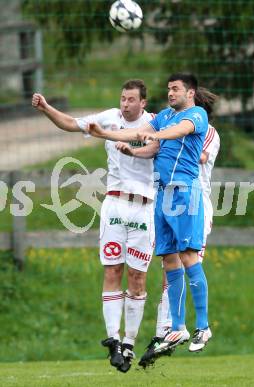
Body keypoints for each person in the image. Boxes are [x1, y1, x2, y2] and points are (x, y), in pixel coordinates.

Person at [31, 79, 158, 373]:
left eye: (131, 99)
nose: (125, 103)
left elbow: (154, 149)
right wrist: (47, 108)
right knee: (112, 269)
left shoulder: (154, 123)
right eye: (122, 98)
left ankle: (129, 342)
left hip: (143, 206)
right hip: (114, 203)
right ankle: (113, 340)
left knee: (137, 279)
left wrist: (133, 150)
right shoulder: (109, 118)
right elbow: (71, 124)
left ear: (143, 103)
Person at [87, 73, 212, 357]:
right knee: (169, 260)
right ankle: (178, 325)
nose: (170, 93)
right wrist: (108, 136)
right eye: (168, 89)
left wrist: (153, 134)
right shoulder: (165, 116)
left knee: (189, 256)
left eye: (175, 89)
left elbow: (178, 131)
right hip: (161, 194)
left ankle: (203, 326)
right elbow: (143, 138)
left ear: (189, 92)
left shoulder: (196, 114)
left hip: (184, 194)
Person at [115, 87, 220, 367]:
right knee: (168, 264)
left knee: (188, 261)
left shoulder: (205, 130)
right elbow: (158, 146)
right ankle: (172, 329)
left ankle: (181, 329)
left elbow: (199, 156)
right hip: (170, 200)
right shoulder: (174, 122)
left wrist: (163, 136)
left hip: (194, 204)